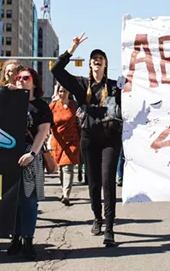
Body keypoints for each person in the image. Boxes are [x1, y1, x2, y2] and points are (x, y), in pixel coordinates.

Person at [51, 32, 122, 247]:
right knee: (94, 184)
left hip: (110, 139)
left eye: (100, 58)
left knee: (108, 183)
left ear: (106, 63)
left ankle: (109, 228)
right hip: (89, 138)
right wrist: (71, 49)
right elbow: (56, 70)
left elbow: (135, 93)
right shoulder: (81, 85)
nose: (96, 60)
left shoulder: (115, 85)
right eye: (93, 58)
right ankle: (97, 218)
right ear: (90, 65)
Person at [6, 67, 53, 261]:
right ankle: (15, 238)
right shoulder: (9, 102)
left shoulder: (41, 106)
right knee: (13, 201)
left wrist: (32, 153)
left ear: (34, 82)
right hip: (9, 155)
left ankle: (28, 241)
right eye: (18, 78)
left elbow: (42, 132)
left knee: (29, 201)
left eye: (26, 78)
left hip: (30, 155)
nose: (21, 81)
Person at [49, 84, 81, 206]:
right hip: (57, 141)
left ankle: (66, 194)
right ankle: (63, 190)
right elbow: (46, 122)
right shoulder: (52, 106)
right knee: (60, 169)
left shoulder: (74, 105)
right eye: (60, 91)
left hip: (72, 140)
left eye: (65, 91)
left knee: (68, 167)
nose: (62, 94)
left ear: (69, 93)